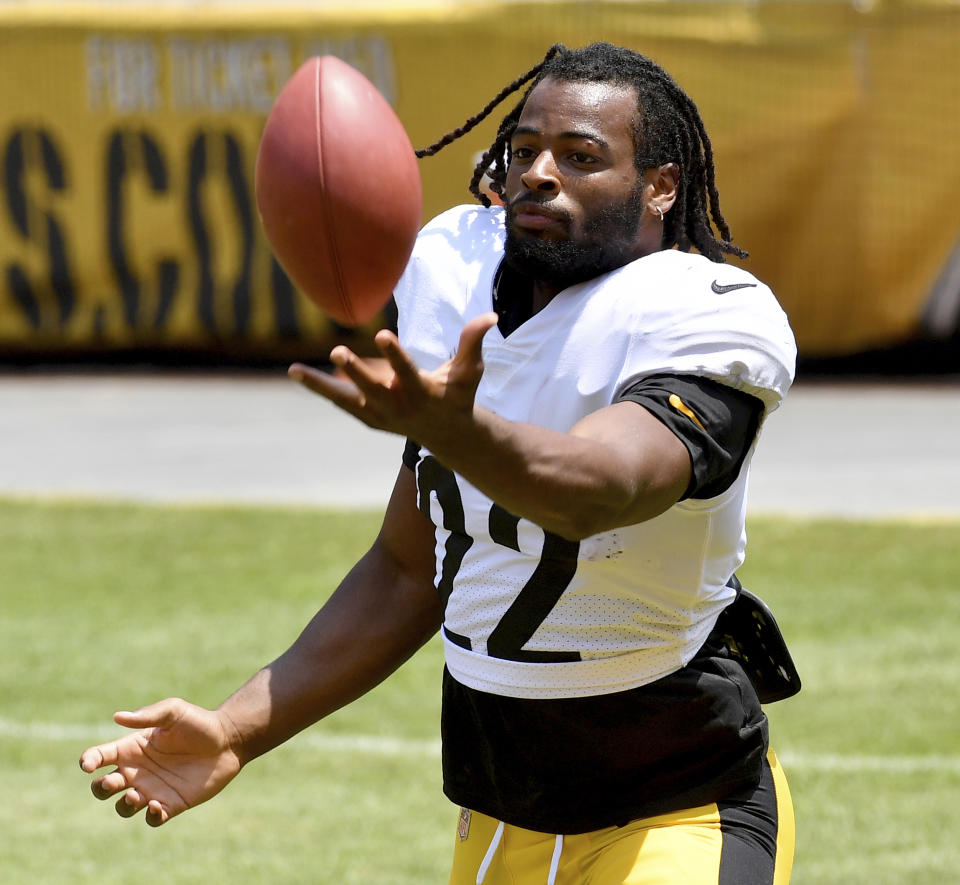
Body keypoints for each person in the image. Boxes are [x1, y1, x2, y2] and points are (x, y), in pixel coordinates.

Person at [79, 42, 798, 884]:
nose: (538, 173)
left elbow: (602, 490)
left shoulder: (702, 310)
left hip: (680, 807)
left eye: (580, 156)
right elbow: (406, 568)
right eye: (524, 149)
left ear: (661, 187)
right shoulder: (458, 276)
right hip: (500, 816)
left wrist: (455, 432)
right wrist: (237, 728)